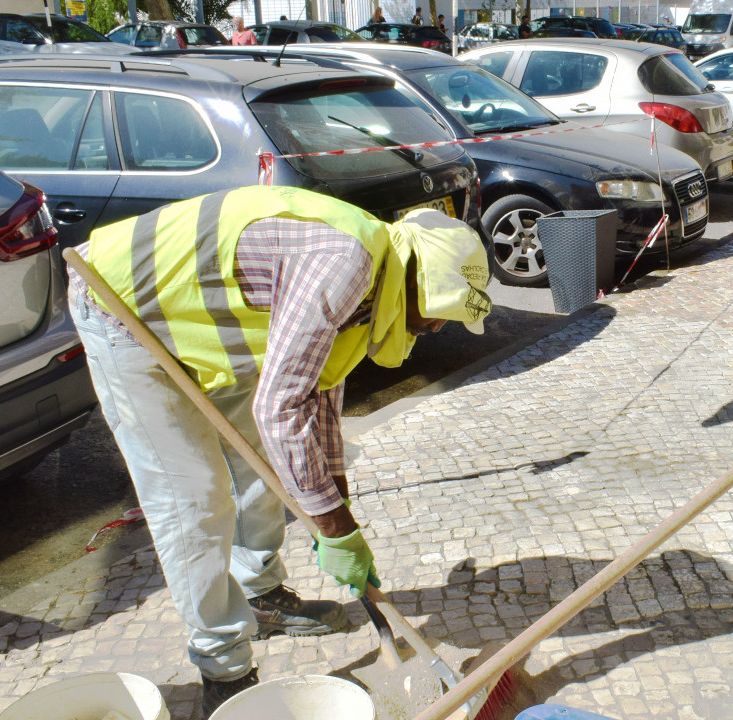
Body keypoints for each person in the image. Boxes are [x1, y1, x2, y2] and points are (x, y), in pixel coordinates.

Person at [67, 186, 492, 717]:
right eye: (439, 313)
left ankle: (260, 594)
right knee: (194, 496)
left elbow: (319, 407)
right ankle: (222, 665)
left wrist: (339, 518)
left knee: (271, 465)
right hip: (121, 305)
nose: (436, 327)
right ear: (415, 281)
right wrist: (333, 528)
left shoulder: (372, 289)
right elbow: (282, 409)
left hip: (207, 317)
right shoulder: (345, 265)